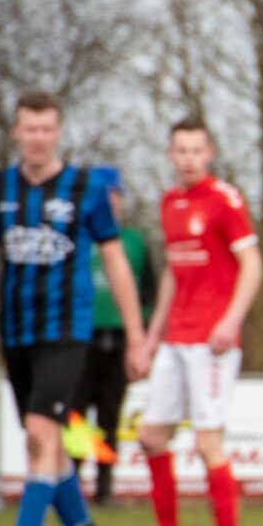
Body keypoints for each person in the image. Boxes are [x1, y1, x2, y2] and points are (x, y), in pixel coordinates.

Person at [0, 92, 148, 526]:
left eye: (46, 129)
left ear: (58, 131)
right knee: (48, 446)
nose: (38, 138)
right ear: (16, 131)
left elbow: (115, 262)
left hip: (66, 331)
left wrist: (136, 334)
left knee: (39, 434)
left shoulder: (87, 188)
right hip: (16, 332)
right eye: (29, 129)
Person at [124, 120, 263, 526]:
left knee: (208, 443)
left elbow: (252, 264)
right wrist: (151, 337)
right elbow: (173, 271)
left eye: (196, 150)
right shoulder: (170, 202)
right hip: (176, 337)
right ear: (170, 154)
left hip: (212, 341)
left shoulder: (224, 200)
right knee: (151, 437)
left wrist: (231, 321)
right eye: (180, 151)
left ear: (210, 153)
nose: (188, 159)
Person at [82, 169, 158, 503]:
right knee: (74, 416)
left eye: (113, 195)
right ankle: (70, 487)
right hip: (80, 337)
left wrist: (144, 338)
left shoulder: (134, 242)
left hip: (121, 339)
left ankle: (104, 488)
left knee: (110, 416)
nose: (108, 201)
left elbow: (150, 292)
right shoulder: (78, 239)